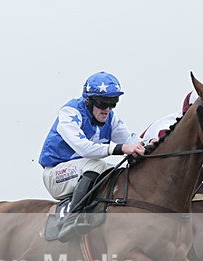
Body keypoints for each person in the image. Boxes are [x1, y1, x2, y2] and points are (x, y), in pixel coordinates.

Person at [39, 71, 146, 241]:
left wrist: (152, 143)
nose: (107, 109)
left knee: (118, 174)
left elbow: (131, 140)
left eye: (113, 103)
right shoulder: (70, 112)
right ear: (88, 100)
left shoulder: (110, 118)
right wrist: (121, 148)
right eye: (103, 103)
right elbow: (85, 149)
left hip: (82, 173)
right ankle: (70, 220)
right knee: (95, 164)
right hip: (56, 176)